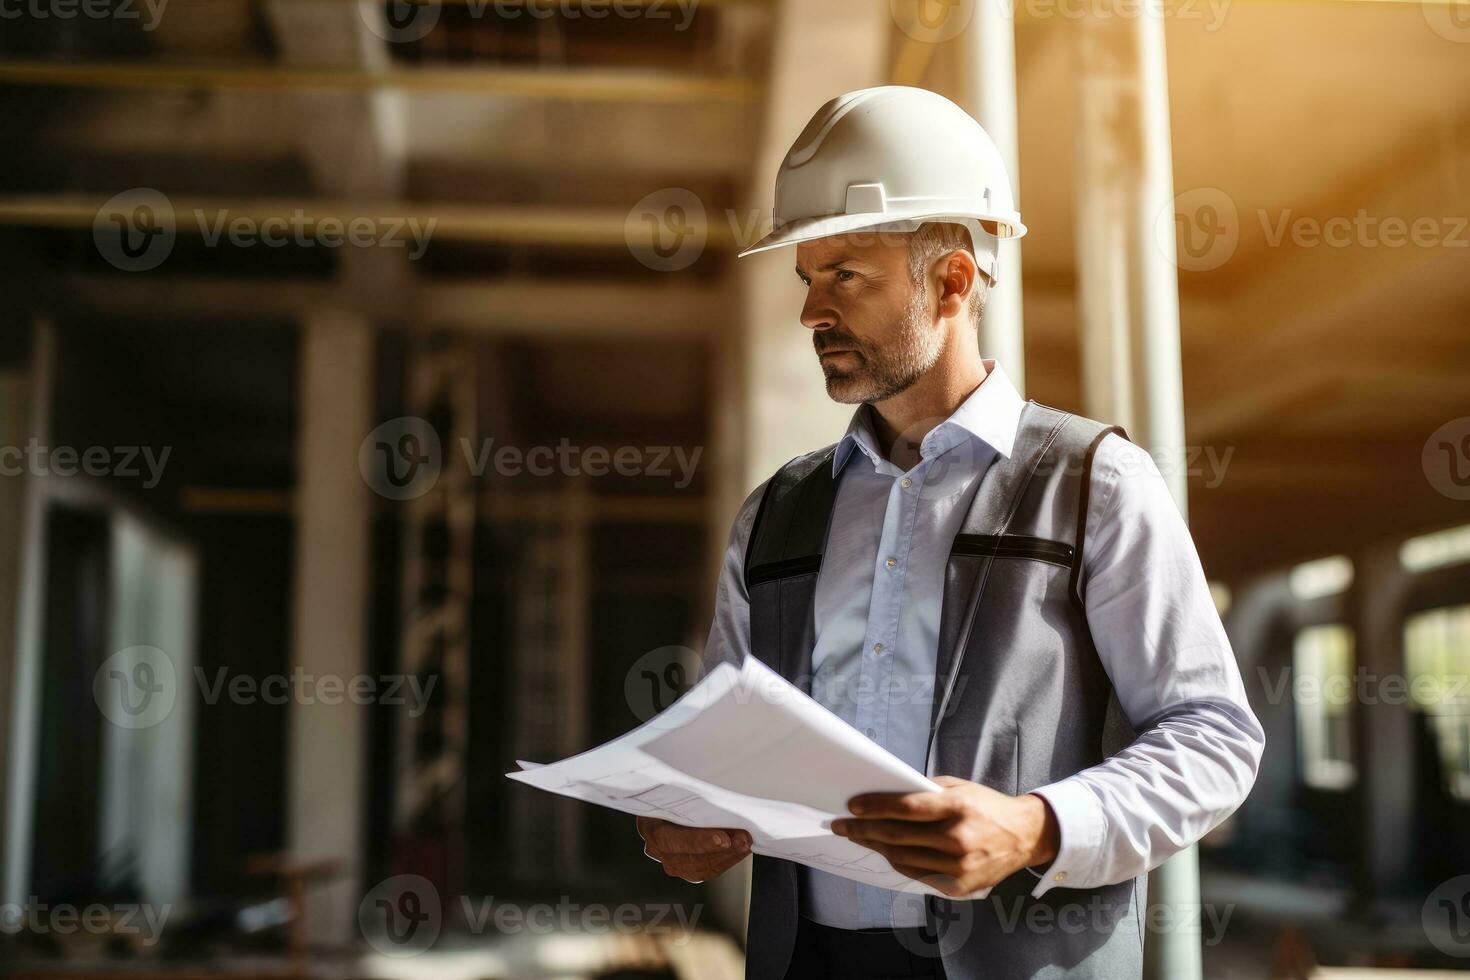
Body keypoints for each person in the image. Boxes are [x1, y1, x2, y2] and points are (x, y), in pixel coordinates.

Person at [637, 86, 1264, 980]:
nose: (813, 311)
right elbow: (731, 740)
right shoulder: (776, 512)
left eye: (846, 276)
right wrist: (693, 806)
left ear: (953, 280)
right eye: (808, 279)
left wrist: (1035, 827)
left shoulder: (1095, 484)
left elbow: (1212, 737)